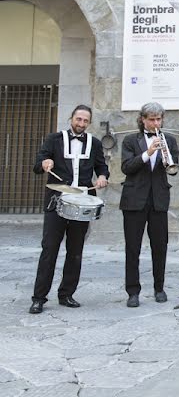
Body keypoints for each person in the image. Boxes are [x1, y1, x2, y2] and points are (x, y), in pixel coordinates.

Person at [29, 105, 109, 314]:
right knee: (49, 249)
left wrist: (102, 177)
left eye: (85, 121)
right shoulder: (54, 139)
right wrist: (45, 163)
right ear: (71, 117)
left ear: (89, 123)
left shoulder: (95, 143)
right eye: (78, 119)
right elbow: (38, 164)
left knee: (75, 251)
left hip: (82, 203)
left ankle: (66, 294)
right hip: (56, 201)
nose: (81, 124)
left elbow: (102, 167)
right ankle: (39, 298)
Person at [120, 102, 179, 308]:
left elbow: (173, 168)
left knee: (160, 247)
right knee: (132, 248)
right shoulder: (130, 140)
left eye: (158, 119)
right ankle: (133, 291)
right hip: (134, 200)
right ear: (143, 119)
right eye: (152, 119)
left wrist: (164, 156)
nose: (156, 123)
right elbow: (127, 167)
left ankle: (159, 288)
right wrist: (148, 153)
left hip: (158, 200)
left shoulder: (169, 141)